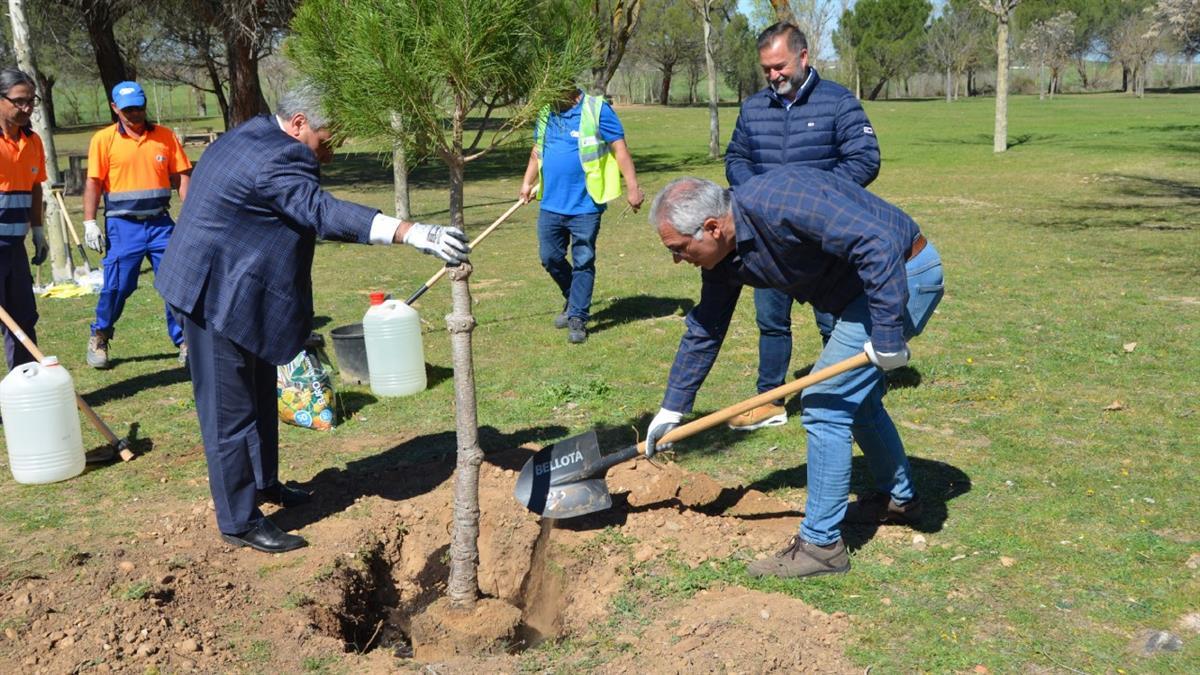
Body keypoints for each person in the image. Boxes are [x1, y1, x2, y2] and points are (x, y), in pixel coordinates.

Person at [155, 85, 469, 554]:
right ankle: (238, 520)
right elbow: (320, 212)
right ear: (299, 122)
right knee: (230, 411)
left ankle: (263, 483)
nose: (332, 148)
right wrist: (410, 231)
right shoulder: (282, 157)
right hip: (214, 291)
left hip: (232, 282)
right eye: (327, 136)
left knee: (260, 393)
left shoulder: (253, 132)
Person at [643, 168, 944, 578]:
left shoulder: (781, 202)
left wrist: (888, 333)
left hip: (901, 274)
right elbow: (707, 324)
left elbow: (877, 242)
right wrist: (672, 408)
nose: (678, 259)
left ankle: (821, 548)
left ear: (711, 227)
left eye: (678, 248)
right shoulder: (725, 254)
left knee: (823, 403)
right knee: (858, 400)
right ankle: (900, 499)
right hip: (862, 288)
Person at [724, 22, 881, 431]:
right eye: (766, 70)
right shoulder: (754, 108)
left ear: (804, 57)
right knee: (771, 321)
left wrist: (819, 202)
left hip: (826, 240)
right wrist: (758, 196)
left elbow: (865, 159)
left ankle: (845, 393)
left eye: (779, 66)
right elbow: (736, 158)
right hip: (770, 241)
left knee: (834, 322)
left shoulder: (838, 102)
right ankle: (769, 399)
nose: (773, 75)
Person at [518, 87, 644, 344]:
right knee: (549, 257)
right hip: (551, 203)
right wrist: (527, 182)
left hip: (585, 205)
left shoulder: (597, 110)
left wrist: (633, 187)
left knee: (583, 260)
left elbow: (619, 148)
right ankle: (574, 297)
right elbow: (537, 151)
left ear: (567, 87)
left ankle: (577, 316)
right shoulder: (546, 113)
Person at [81, 81, 193, 369]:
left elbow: (181, 176)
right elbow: (93, 182)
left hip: (160, 223)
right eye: (128, 109)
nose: (135, 114)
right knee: (117, 286)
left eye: (139, 108)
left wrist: (190, 214)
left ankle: (185, 342)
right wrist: (90, 222)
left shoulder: (165, 137)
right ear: (115, 108)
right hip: (122, 225)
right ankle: (100, 334)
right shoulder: (103, 140)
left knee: (175, 283)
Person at [0, 68, 48, 370]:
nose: (26, 108)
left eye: (31, 101)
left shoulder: (33, 142)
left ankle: (26, 391)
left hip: (15, 247)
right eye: (18, 101)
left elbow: (35, 187)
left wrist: (39, 230)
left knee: (22, 320)